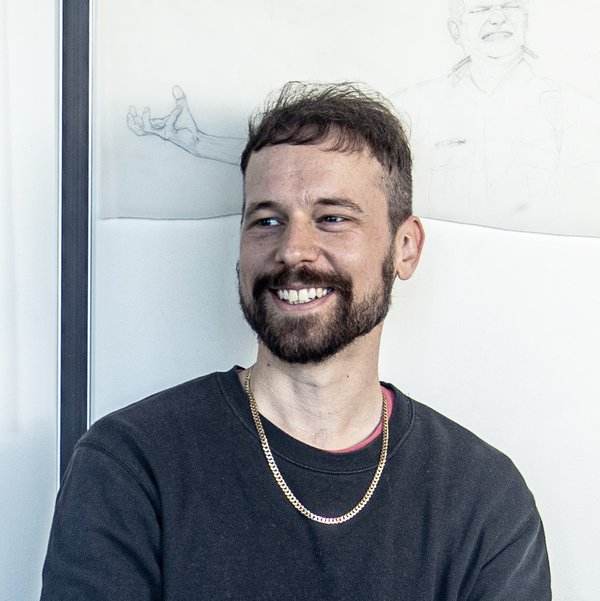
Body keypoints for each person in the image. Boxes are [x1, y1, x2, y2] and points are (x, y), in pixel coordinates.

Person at [41, 82, 551, 600]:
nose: (293, 250)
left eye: (332, 218)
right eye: (267, 220)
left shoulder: (484, 499)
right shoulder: (129, 466)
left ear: (405, 248)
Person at [393, 0, 600, 234]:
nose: (498, 18)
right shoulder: (412, 109)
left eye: (509, 6)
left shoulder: (573, 108)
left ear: (525, 20)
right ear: (455, 30)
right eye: (481, 9)